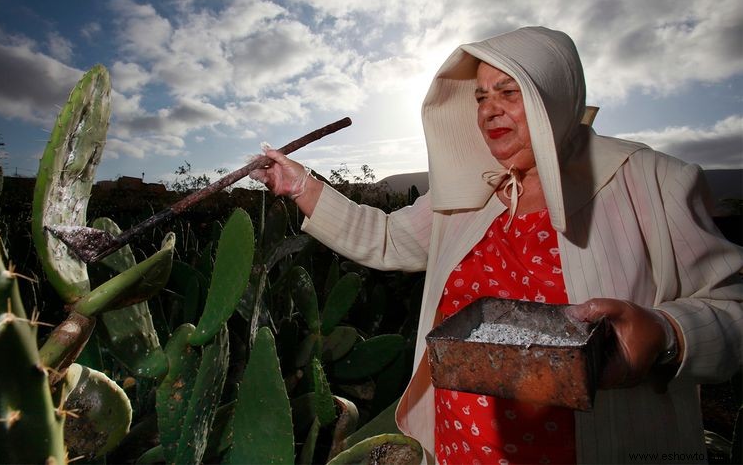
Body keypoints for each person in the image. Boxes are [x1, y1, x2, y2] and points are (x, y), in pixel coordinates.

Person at [250, 26, 743, 464]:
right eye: (481, 97)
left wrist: (667, 333)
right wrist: (301, 186)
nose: (489, 111)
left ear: (553, 93)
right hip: (457, 447)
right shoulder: (475, 191)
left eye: (508, 92)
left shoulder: (653, 181)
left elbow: (731, 308)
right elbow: (386, 238)